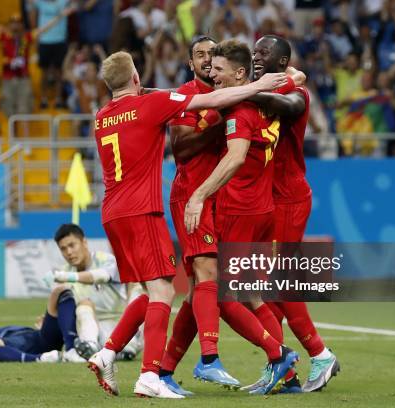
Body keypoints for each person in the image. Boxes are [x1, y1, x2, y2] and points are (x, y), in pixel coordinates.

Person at [87, 50, 288, 399]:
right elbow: (214, 98)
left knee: (151, 292)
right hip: (141, 211)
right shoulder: (152, 104)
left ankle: (107, 353)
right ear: (136, 78)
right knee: (165, 291)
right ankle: (151, 375)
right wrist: (261, 84)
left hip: (111, 212)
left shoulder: (100, 116)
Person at [159, 35, 306, 396]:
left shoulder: (240, 105)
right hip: (238, 202)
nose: (211, 67)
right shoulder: (215, 96)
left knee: (219, 292)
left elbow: (236, 155)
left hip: (233, 205)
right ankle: (166, 369)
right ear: (190, 62)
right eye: (203, 58)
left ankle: (275, 357)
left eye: (217, 63)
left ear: (238, 72)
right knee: (220, 291)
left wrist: (200, 194)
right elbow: (178, 144)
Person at [239, 34, 340, 393]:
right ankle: (282, 369)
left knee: (277, 283)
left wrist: (247, 92)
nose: (256, 57)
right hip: (270, 200)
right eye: (253, 52)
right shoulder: (262, 87)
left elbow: (295, 105)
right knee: (267, 294)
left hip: (289, 199)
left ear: (282, 62)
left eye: (263, 53)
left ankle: (320, 353)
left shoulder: (291, 93)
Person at [45, 223, 143, 361]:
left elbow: (101, 276)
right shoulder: (63, 272)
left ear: (84, 242)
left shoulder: (106, 260)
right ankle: (90, 347)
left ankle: (128, 344)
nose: (69, 252)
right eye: (63, 249)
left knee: (138, 290)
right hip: (92, 331)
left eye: (72, 245)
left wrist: (66, 277)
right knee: (84, 305)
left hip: (121, 324)